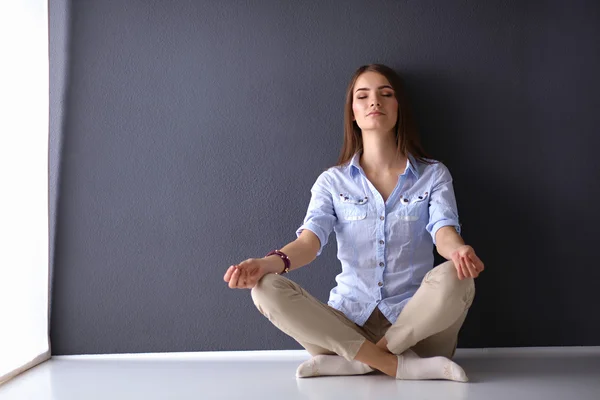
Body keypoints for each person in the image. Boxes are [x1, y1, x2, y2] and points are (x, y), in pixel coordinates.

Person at [223, 64, 484, 381]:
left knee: (458, 277)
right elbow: (309, 242)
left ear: (398, 107)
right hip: (345, 327)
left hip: (417, 329)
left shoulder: (433, 175)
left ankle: (360, 361)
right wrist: (266, 264)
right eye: (363, 96)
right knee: (264, 289)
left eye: (386, 94)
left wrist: (458, 251)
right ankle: (393, 365)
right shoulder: (331, 182)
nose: (375, 102)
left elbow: (444, 231)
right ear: (353, 113)